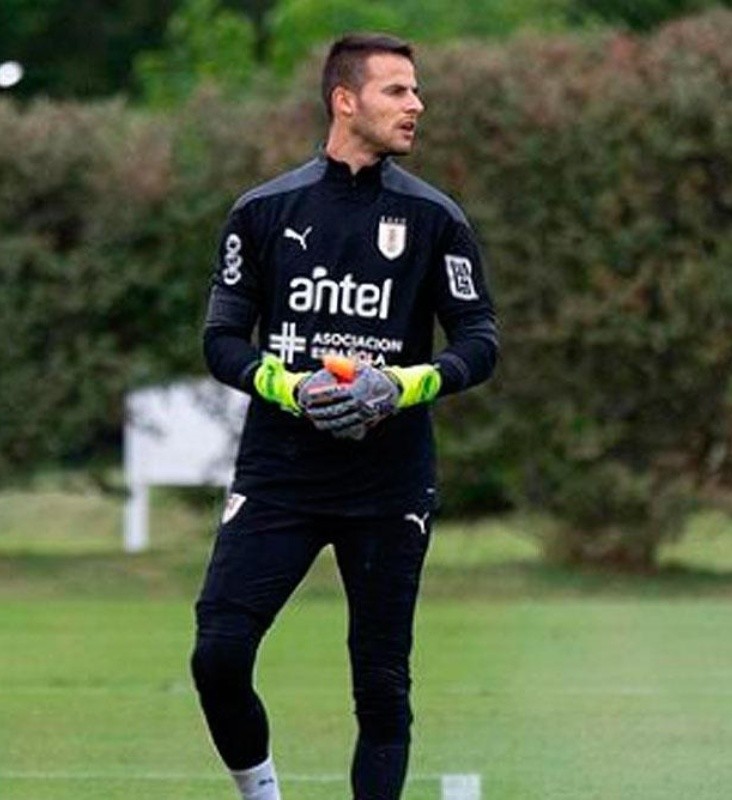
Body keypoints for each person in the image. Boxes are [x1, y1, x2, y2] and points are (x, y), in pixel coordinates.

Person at [190, 32, 498, 800]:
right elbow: (222, 339)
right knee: (218, 656)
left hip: (387, 485)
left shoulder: (435, 219)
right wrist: (290, 388)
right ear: (345, 100)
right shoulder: (263, 210)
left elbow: (480, 341)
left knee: (381, 687)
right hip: (280, 473)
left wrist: (401, 385)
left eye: (416, 90)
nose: (417, 104)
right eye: (398, 90)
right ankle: (262, 795)